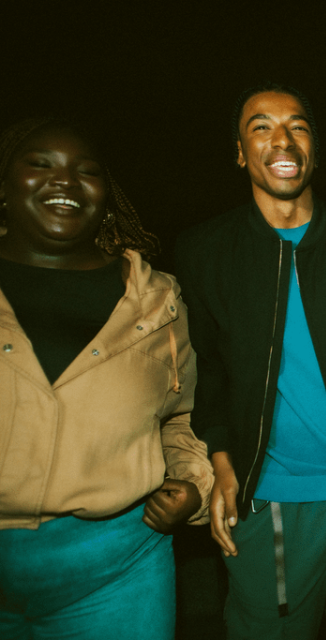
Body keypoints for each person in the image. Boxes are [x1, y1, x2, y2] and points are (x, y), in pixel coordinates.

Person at [175, 83, 326, 640]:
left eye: (298, 126)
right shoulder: (204, 251)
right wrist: (220, 462)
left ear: (315, 147)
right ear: (240, 151)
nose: (282, 138)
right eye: (260, 126)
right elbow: (209, 370)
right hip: (264, 509)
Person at [0, 118, 213, 640]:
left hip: (117, 571)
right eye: (40, 164)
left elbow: (181, 416)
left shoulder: (159, 299)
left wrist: (192, 484)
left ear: (106, 196)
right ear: (5, 187)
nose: (66, 181)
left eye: (86, 170)